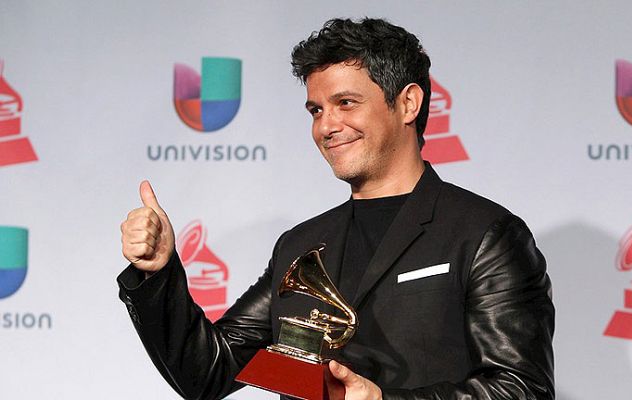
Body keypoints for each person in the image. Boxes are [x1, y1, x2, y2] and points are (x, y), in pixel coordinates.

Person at [118, 18, 554, 400]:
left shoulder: (483, 234)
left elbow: (521, 388)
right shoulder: (301, 246)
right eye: (316, 110)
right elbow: (208, 373)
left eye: (346, 103)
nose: (326, 126)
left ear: (408, 103)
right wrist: (158, 275)